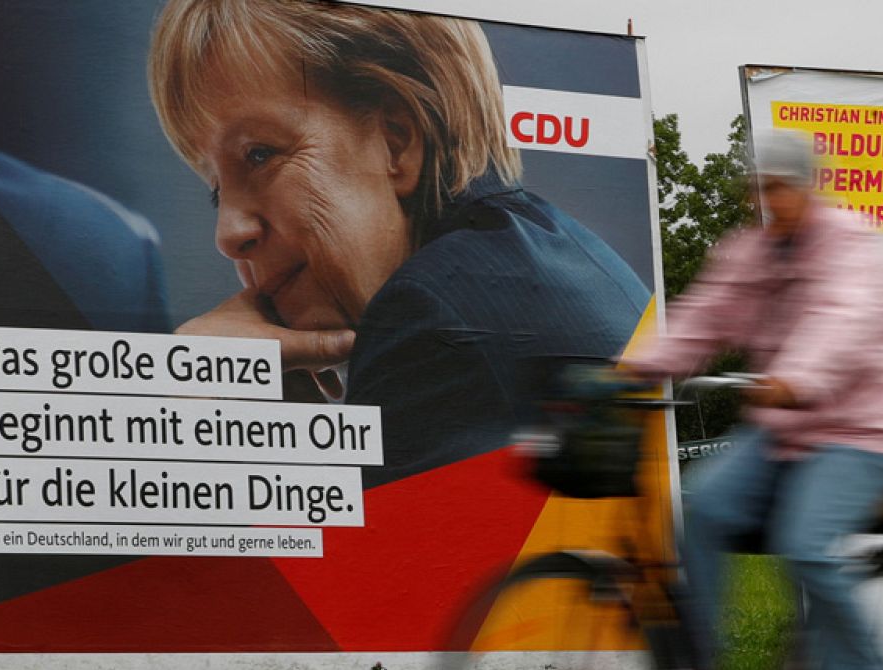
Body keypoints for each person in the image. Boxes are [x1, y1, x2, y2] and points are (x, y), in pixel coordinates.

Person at [148, 0, 649, 483]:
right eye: (216, 190)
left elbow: (352, 568)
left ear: (396, 140)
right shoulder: (552, 253)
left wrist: (196, 416)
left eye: (259, 155)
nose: (228, 235)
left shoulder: (430, 322)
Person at [624, 129, 883, 670]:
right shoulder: (750, 253)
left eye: (782, 187)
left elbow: (846, 316)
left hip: (860, 434)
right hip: (783, 433)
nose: (770, 200)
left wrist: (795, 377)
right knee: (703, 507)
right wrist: (632, 370)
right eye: (761, 188)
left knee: (806, 543)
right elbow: (704, 319)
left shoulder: (851, 246)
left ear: (810, 187)